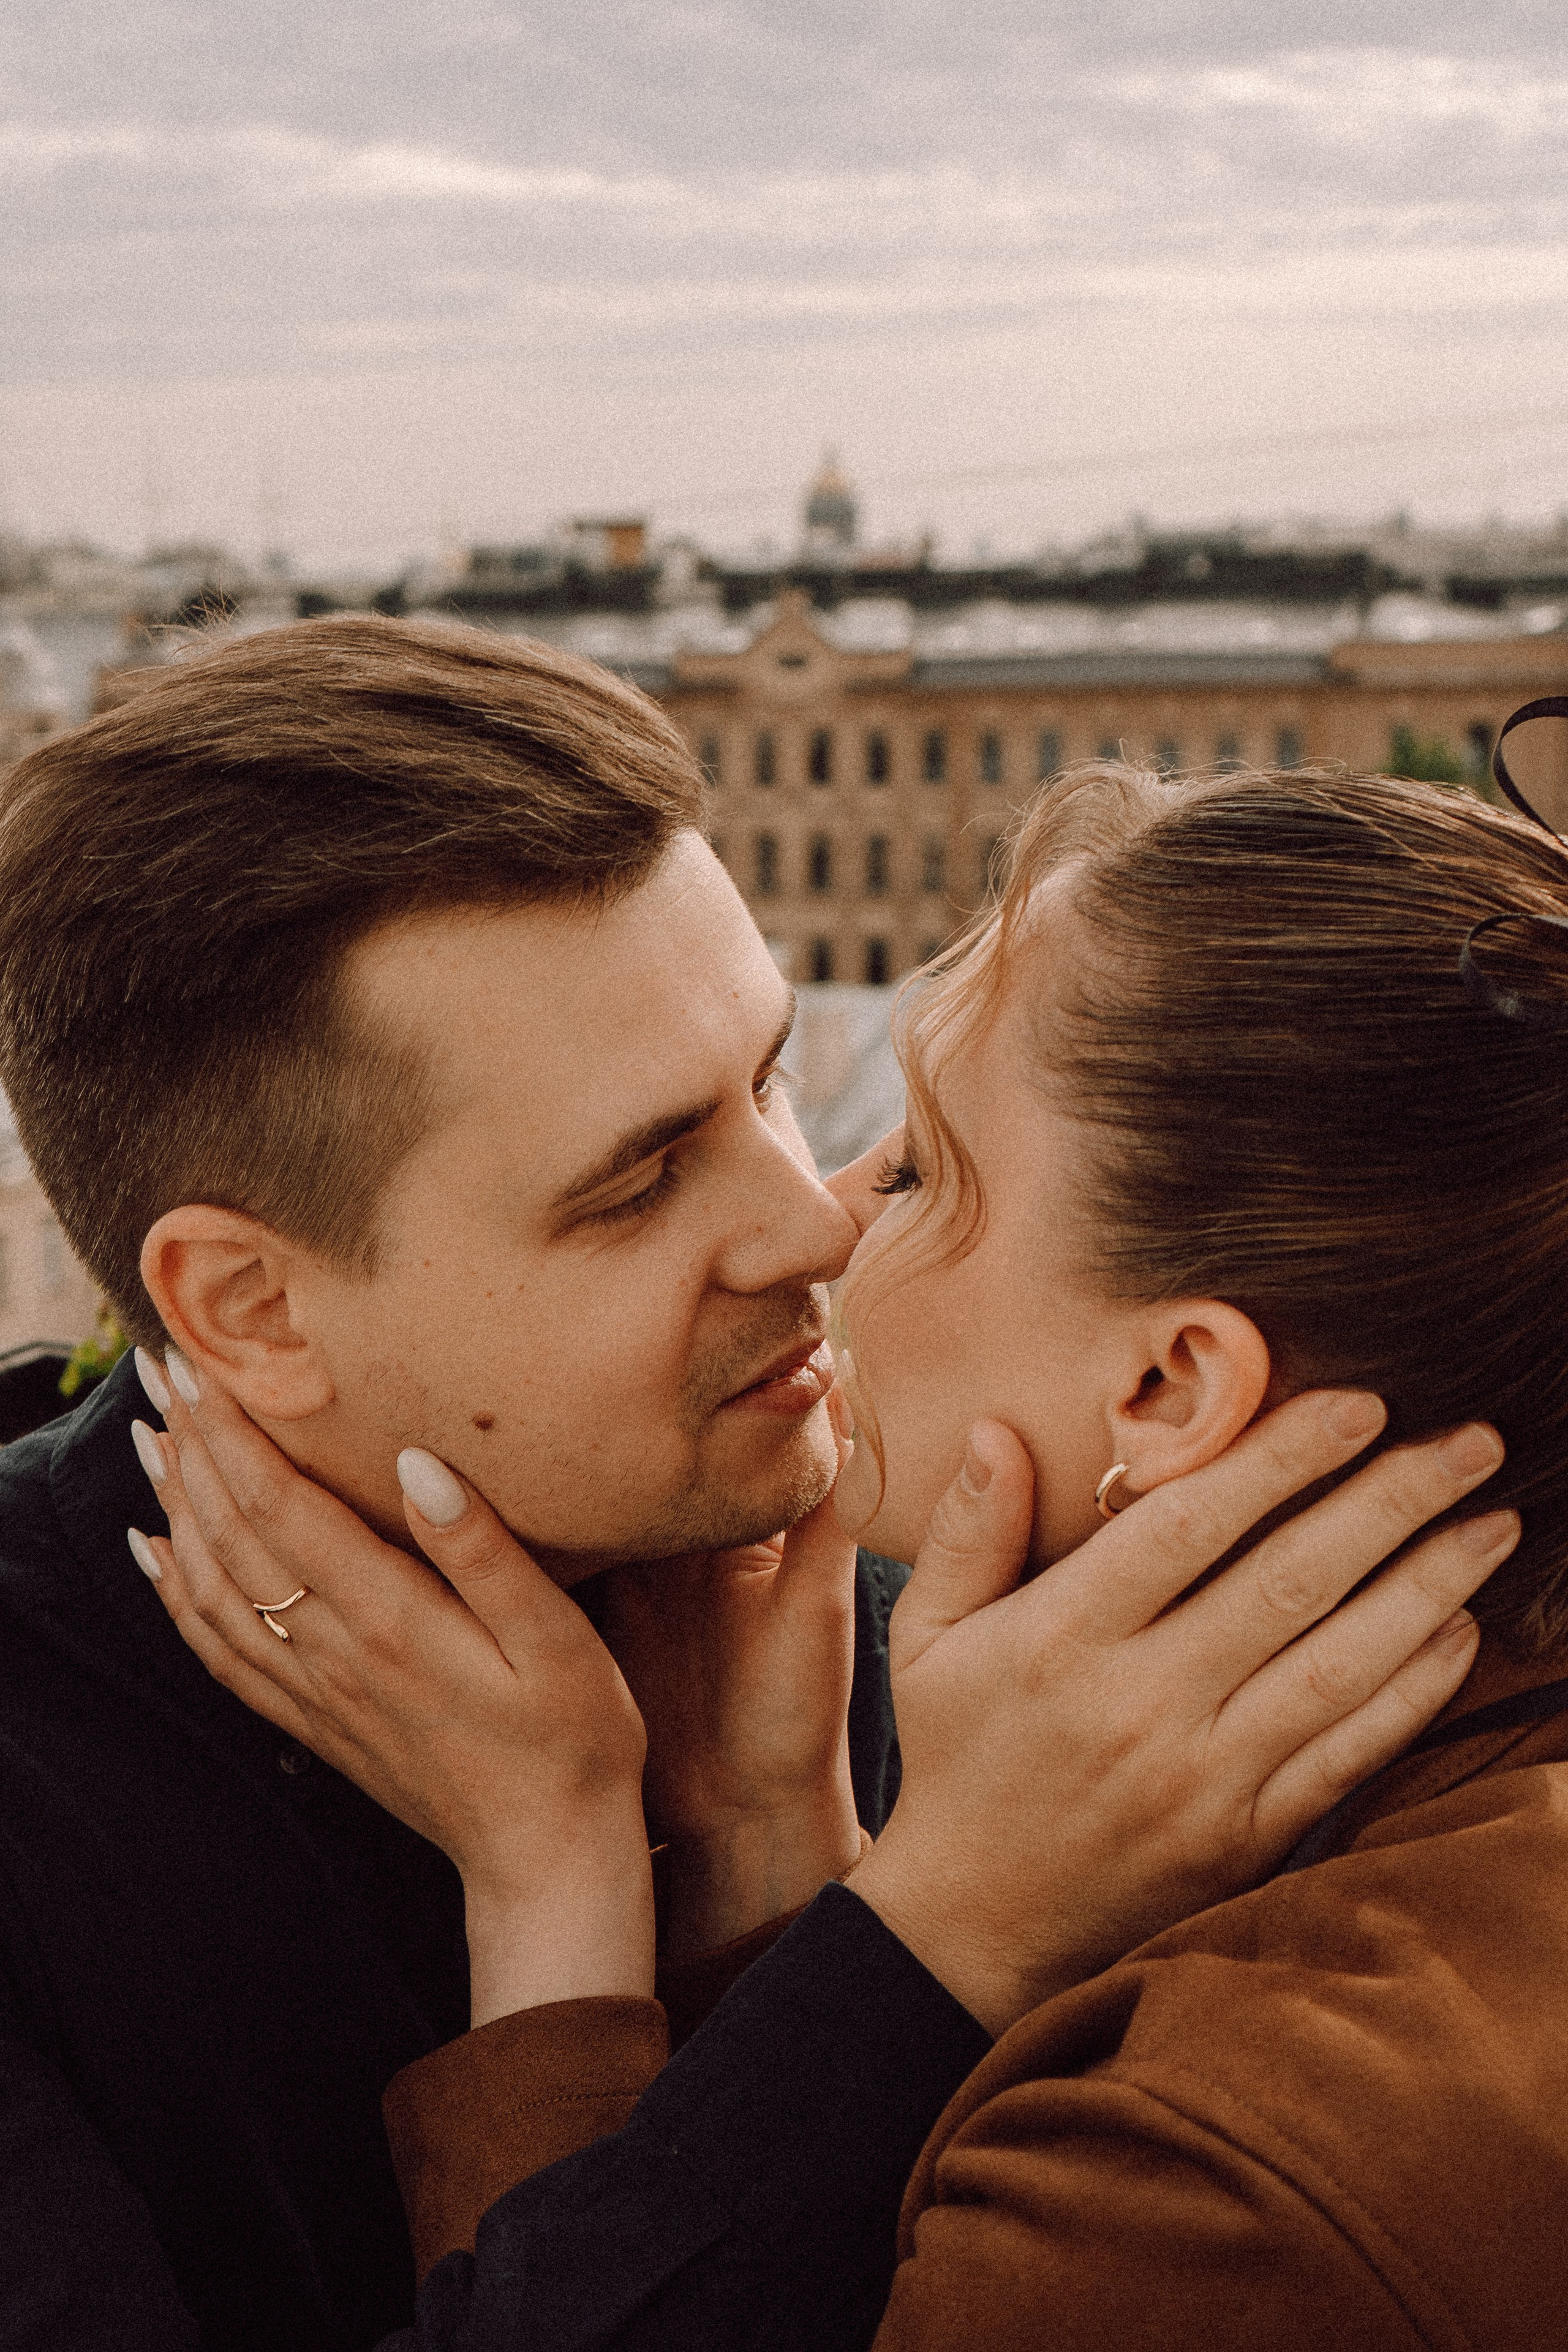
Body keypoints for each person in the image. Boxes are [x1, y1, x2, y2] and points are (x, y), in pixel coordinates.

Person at [0, 616, 1475, 2351]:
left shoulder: (912, 1597)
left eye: (770, 1078)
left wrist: (768, 1881)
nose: (815, 1220)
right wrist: (920, 1946)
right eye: (638, 1185)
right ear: (250, 1309)